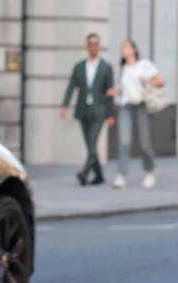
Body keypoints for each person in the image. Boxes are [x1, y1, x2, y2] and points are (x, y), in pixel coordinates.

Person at [60, 33, 115, 186]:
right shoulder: (79, 67)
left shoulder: (106, 68)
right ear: (87, 46)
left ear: (99, 46)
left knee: (92, 142)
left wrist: (110, 114)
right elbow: (71, 87)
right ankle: (99, 175)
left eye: (96, 44)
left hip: (99, 110)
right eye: (91, 44)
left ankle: (85, 172)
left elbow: (109, 92)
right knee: (90, 145)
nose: (93, 47)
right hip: (83, 110)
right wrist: (65, 105)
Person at [109, 38, 163, 189]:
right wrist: (115, 91)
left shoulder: (144, 65)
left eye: (125, 46)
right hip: (126, 106)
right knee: (124, 142)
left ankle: (150, 172)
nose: (123, 49)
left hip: (142, 105)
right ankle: (121, 175)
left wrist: (146, 80)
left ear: (134, 50)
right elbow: (124, 88)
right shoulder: (124, 68)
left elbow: (160, 81)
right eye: (122, 47)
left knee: (145, 144)